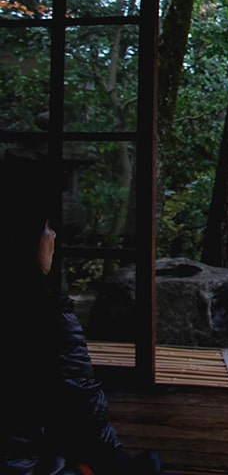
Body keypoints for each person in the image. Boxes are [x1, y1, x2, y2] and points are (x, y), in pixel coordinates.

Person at [1, 155, 159, 475]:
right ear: (26, 239)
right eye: (47, 230)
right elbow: (83, 409)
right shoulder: (44, 316)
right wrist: (118, 464)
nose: (53, 238)